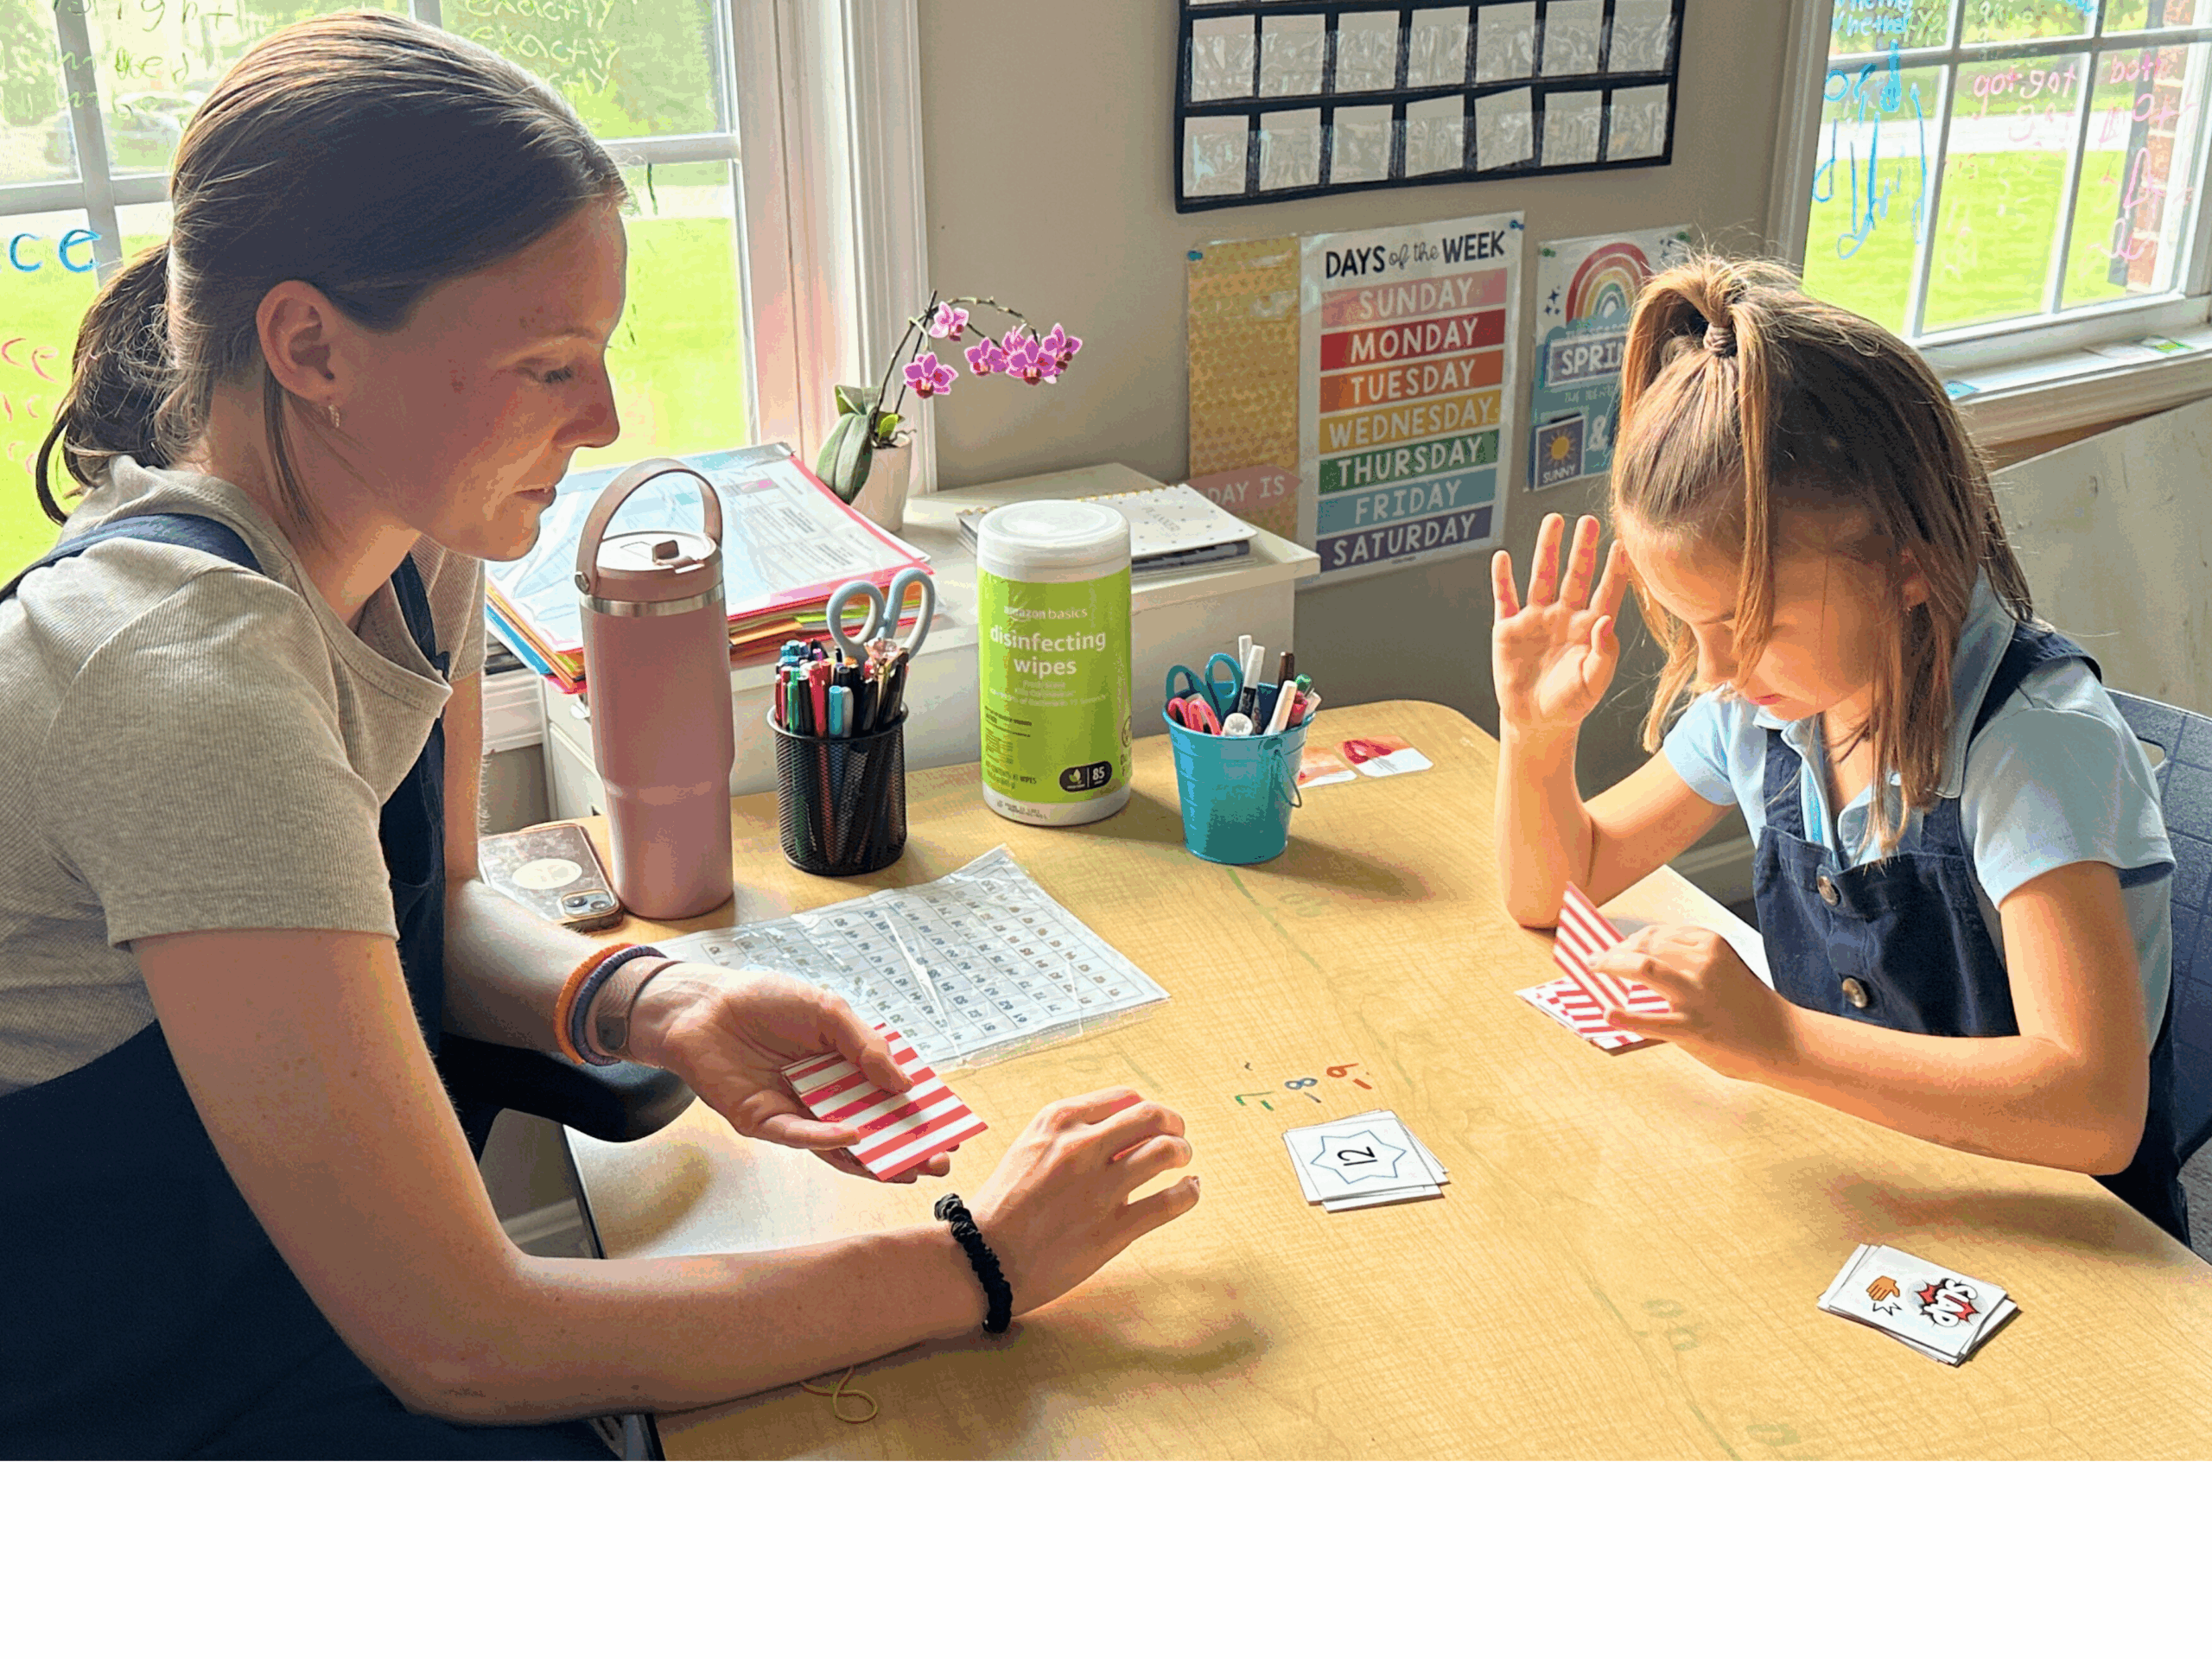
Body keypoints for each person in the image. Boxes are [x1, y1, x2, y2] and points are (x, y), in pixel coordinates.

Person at [0, 10, 1197, 1459]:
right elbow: (464, 1338)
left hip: (315, 1312)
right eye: (548, 365)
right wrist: (976, 1262)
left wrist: (653, 1005)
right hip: (132, 1408)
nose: (610, 416)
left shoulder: (414, 537)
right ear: (310, 346)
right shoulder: (185, 683)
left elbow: (433, 915)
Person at [1489, 253, 2202, 1239]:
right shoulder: (1767, 703)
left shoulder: (2034, 751)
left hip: (2068, 1241)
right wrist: (1535, 738)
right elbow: (1553, 891)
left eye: (1751, 622)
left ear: (1907, 565)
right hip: (1874, 1185)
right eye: (1691, 624)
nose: (1717, 668)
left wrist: (1777, 1039)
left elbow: (2093, 1108)